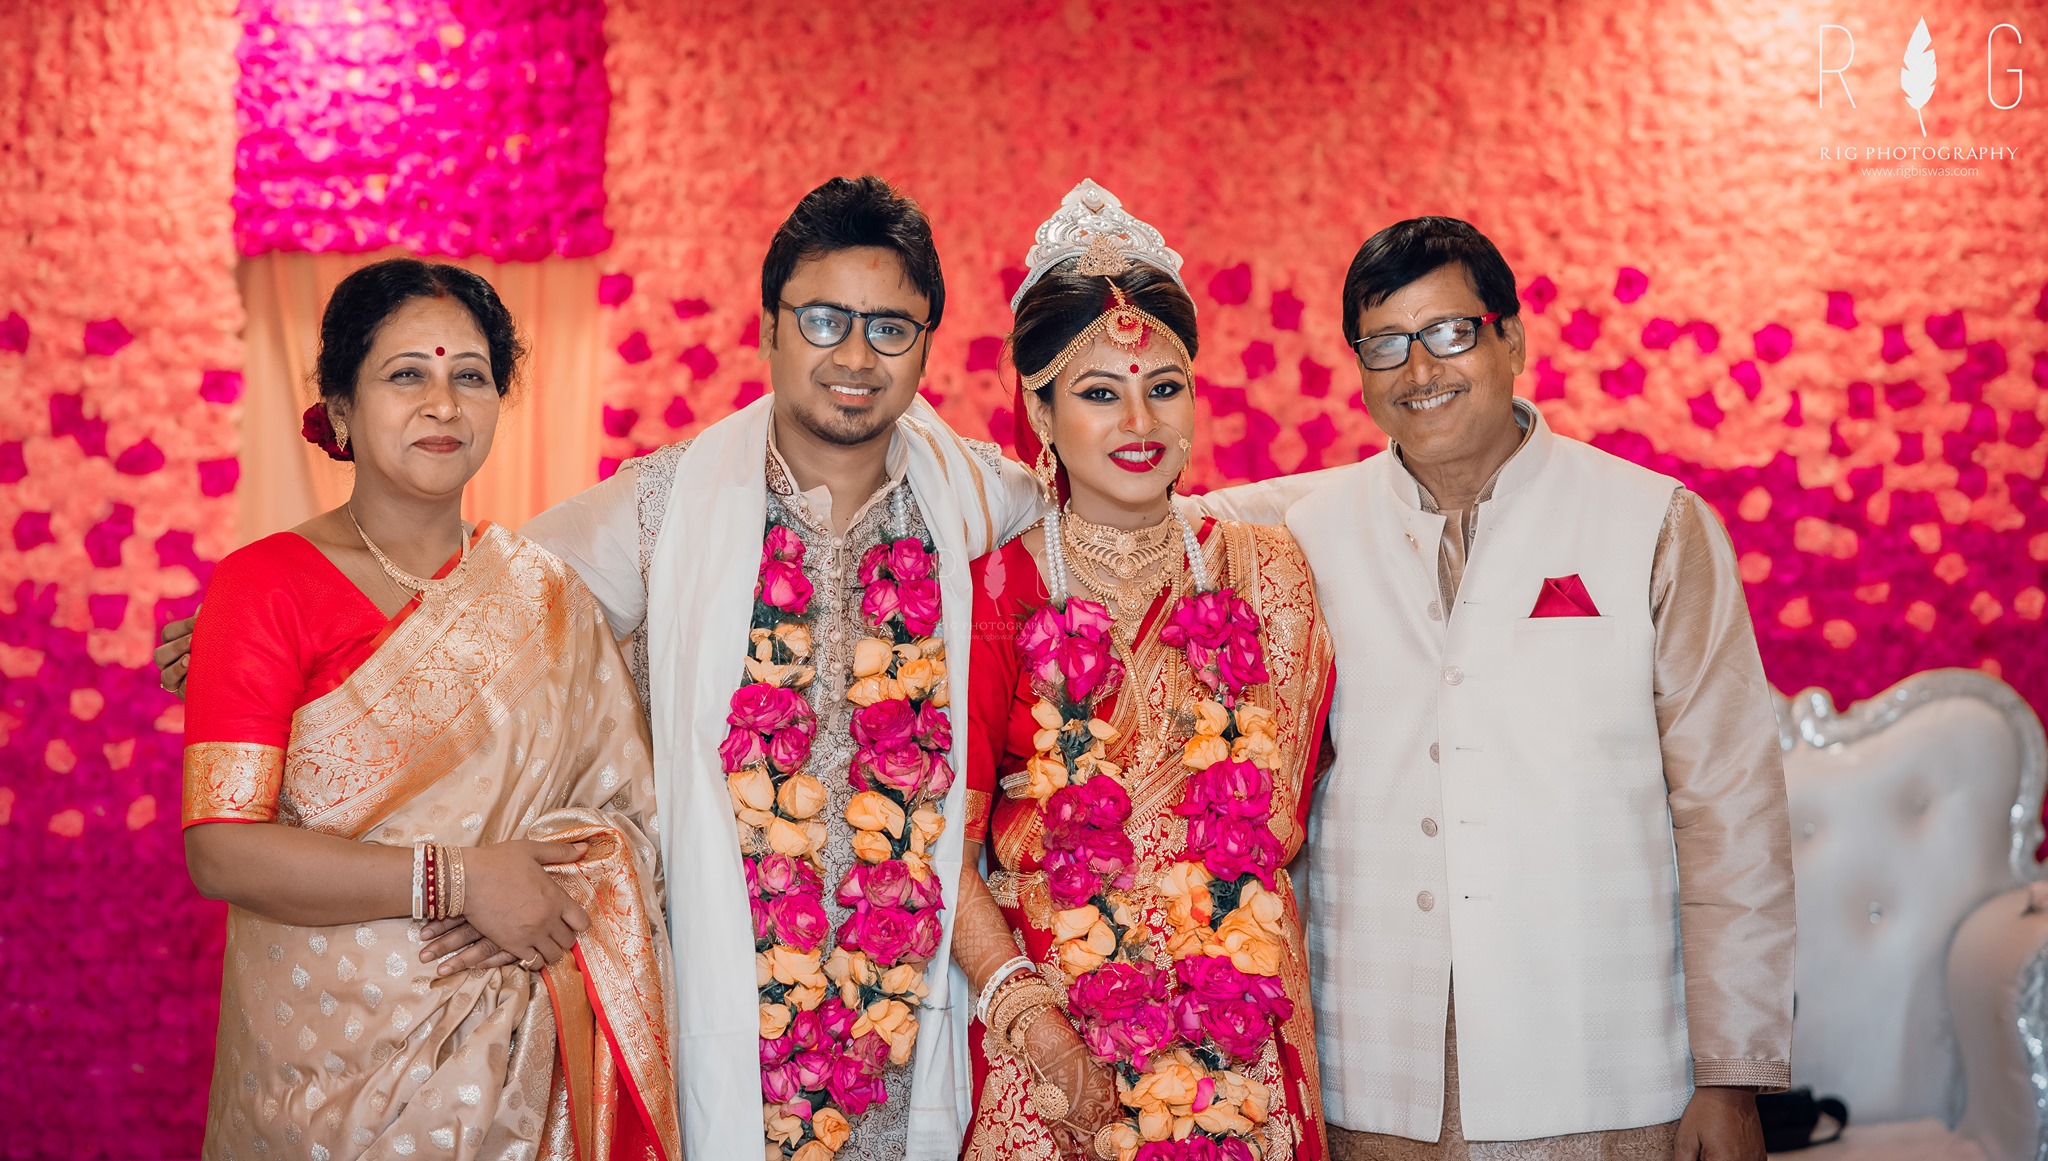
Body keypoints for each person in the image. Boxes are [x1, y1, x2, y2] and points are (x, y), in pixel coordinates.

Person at [1200, 218, 1795, 1160]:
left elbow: (1731, 811)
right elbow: (1122, 511)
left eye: (1449, 332)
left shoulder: (1651, 524)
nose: (1419, 369)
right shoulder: (1298, 535)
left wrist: (1732, 1074)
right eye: (1385, 344)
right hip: (1369, 1077)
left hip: (1605, 1071)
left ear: (1511, 337)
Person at [177, 258, 679, 1159]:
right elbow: (222, 848)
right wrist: (462, 880)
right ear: (340, 409)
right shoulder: (262, 586)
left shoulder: (548, 597)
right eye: (406, 374)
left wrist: (556, 885)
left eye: (470, 377)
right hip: (318, 1087)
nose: (443, 404)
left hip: (518, 1080)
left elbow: (627, 820)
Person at [952, 181, 1335, 1161]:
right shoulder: (993, 592)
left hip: (1237, 1036)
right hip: (1056, 1047)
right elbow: (942, 850)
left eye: (1164, 387)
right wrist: (1031, 1018)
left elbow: (1278, 817)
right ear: (1039, 410)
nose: (1139, 420)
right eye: (1098, 392)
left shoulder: (1263, 571)